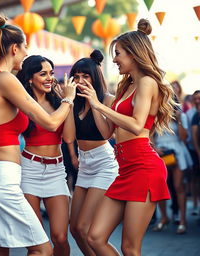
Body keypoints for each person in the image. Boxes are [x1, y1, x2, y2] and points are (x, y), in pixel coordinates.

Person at [0, 14, 76, 256]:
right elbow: (49, 122)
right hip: (1, 181)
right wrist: (68, 98)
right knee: (43, 250)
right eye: (25, 47)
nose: (26, 53)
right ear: (14, 48)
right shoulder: (4, 78)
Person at [79, 19, 176, 255]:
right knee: (94, 237)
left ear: (134, 54)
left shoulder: (147, 82)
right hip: (125, 168)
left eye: (118, 54)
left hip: (144, 167)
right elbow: (106, 133)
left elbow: (136, 125)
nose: (114, 59)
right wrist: (93, 103)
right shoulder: (126, 87)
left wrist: (100, 106)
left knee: (130, 248)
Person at [16, 55, 74, 256]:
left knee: (60, 238)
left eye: (51, 73)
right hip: (29, 170)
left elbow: (68, 138)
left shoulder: (60, 102)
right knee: (37, 239)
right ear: (30, 78)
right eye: (43, 74)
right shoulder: (23, 103)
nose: (49, 78)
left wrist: (69, 102)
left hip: (56, 171)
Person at [69, 49, 119, 256]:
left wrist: (94, 103)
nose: (80, 80)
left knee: (83, 227)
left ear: (94, 77)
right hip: (84, 162)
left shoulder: (107, 99)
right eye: (77, 76)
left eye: (85, 75)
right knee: (74, 228)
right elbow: (69, 136)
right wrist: (73, 156)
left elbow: (106, 134)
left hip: (104, 163)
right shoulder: (74, 100)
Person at [153, 98, 193, 234]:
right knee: (160, 186)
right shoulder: (154, 113)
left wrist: (179, 119)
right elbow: (149, 135)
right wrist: (154, 148)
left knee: (178, 186)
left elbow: (183, 137)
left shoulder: (180, 116)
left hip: (177, 151)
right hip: (160, 152)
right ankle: (164, 217)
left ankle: (182, 220)